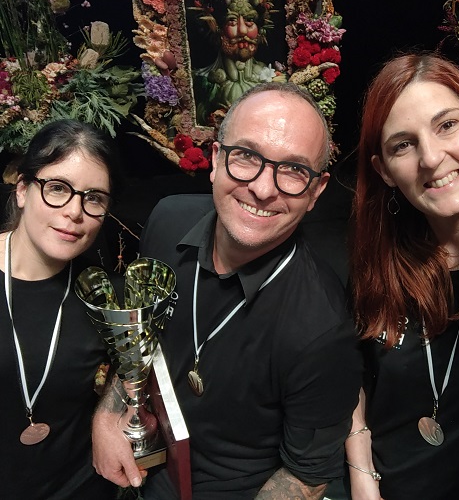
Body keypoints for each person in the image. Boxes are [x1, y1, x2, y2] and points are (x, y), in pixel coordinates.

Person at [91, 81, 362, 499]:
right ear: (216, 160)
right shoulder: (167, 220)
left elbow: (306, 475)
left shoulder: (323, 330)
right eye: (247, 156)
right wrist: (110, 414)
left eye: (293, 169)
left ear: (316, 192)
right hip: (150, 465)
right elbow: (138, 332)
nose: (263, 188)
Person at [346, 52, 459, 500]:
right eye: (403, 145)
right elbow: (355, 374)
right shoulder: (379, 261)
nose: (432, 158)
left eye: (447, 125)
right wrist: (362, 477)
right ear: (384, 171)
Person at [0, 119, 121, 499]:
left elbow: (136, 361)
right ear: (22, 189)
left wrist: (107, 413)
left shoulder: (102, 296)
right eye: (57, 188)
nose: (74, 212)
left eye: (94, 198)